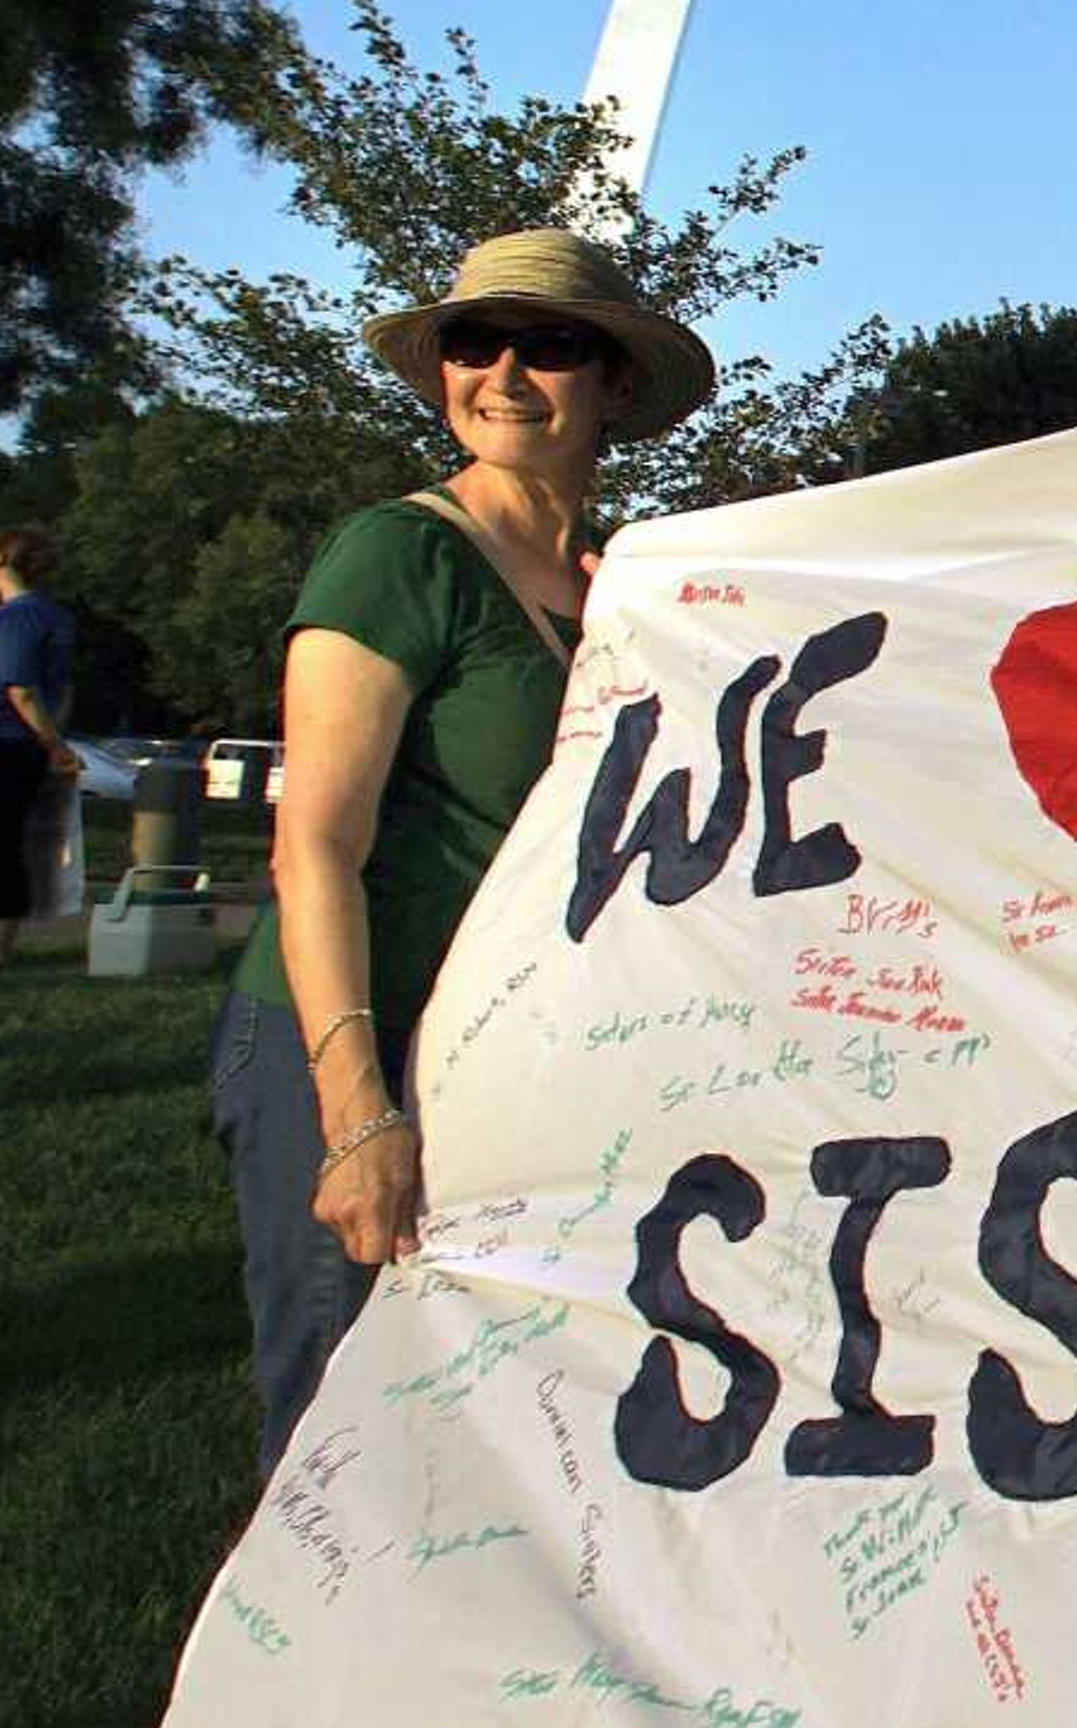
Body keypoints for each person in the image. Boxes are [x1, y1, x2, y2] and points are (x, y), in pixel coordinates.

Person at [210, 229, 712, 1478]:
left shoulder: (619, 584)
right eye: (470, 342)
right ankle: (295, 1674)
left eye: (548, 345)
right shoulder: (400, 553)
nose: (501, 371)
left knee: (479, 1422)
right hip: (353, 1034)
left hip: (504, 1045)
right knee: (342, 1421)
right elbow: (315, 842)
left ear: (612, 382)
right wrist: (353, 1108)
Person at [0, 526, 84, 968]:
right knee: (6, 843)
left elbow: (21, 688)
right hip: (20, 747)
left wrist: (54, 745)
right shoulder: (53, 615)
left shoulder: (14, 618)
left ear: (5, 560)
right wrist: (52, 740)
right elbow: (62, 689)